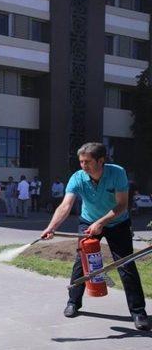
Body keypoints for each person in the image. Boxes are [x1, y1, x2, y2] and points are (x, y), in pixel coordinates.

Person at [41, 142, 149, 331]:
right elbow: (65, 206)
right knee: (81, 262)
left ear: (101, 160)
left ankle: (138, 312)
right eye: (81, 161)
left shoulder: (117, 173)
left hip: (117, 222)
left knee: (125, 265)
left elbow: (122, 205)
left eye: (87, 162)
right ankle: (73, 302)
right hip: (88, 220)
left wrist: (101, 223)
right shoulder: (78, 177)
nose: (83, 165)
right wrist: (51, 227)